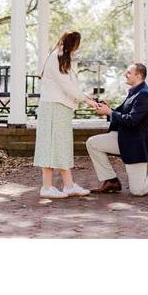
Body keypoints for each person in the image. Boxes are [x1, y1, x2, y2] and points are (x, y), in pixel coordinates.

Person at [86, 63, 148, 196]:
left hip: (135, 145)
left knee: (138, 190)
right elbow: (123, 113)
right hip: (123, 138)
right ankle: (111, 180)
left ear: (138, 75)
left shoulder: (144, 95)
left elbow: (132, 120)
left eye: (128, 72)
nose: (125, 75)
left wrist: (110, 112)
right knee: (92, 143)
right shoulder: (135, 92)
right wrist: (108, 109)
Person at [33, 30, 100, 199]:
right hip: (53, 107)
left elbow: (72, 85)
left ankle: (68, 185)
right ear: (73, 43)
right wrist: (86, 100)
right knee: (50, 144)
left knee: (61, 145)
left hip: (60, 107)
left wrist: (87, 98)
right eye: (77, 44)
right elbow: (67, 86)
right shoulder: (57, 57)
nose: (78, 48)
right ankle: (46, 187)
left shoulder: (63, 57)